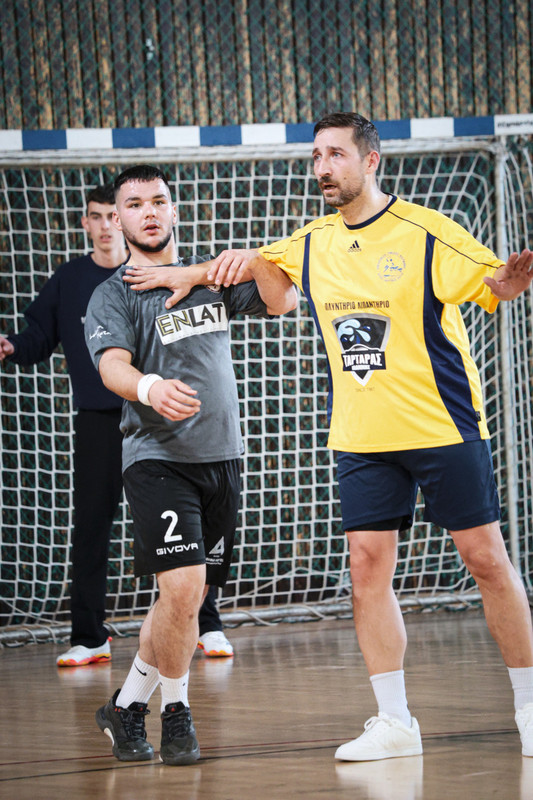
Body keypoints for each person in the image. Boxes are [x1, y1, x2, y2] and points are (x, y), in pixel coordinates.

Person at [187, 111, 533, 761]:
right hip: (360, 436)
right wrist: (187, 274)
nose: (323, 168)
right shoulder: (310, 241)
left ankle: (528, 706)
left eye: (336, 155)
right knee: (366, 569)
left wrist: (507, 284)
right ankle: (394, 722)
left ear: (370, 160)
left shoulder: (427, 231)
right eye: (317, 156)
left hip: (440, 425)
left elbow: (493, 282)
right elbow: (263, 275)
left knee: (486, 559)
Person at [84, 164, 296, 765]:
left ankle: (126, 706)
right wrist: (150, 388)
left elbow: (283, 298)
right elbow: (112, 366)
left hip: (222, 458)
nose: (148, 212)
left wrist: (233, 263)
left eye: (158, 201)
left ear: (174, 210)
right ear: (117, 219)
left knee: (180, 599)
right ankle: (176, 712)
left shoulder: (209, 278)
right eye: (134, 205)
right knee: (182, 588)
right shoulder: (113, 294)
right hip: (158, 458)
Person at [0, 184, 234, 668]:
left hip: (175, 425)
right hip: (105, 419)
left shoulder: (183, 276)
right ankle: (90, 635)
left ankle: (205, 623)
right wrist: (14, 347)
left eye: (116, 213)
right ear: (88, 223)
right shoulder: (80, 283)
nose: (109, 223)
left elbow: (276, 291)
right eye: (101, 215)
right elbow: (41, 337)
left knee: (194, 545)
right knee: (92, 525)